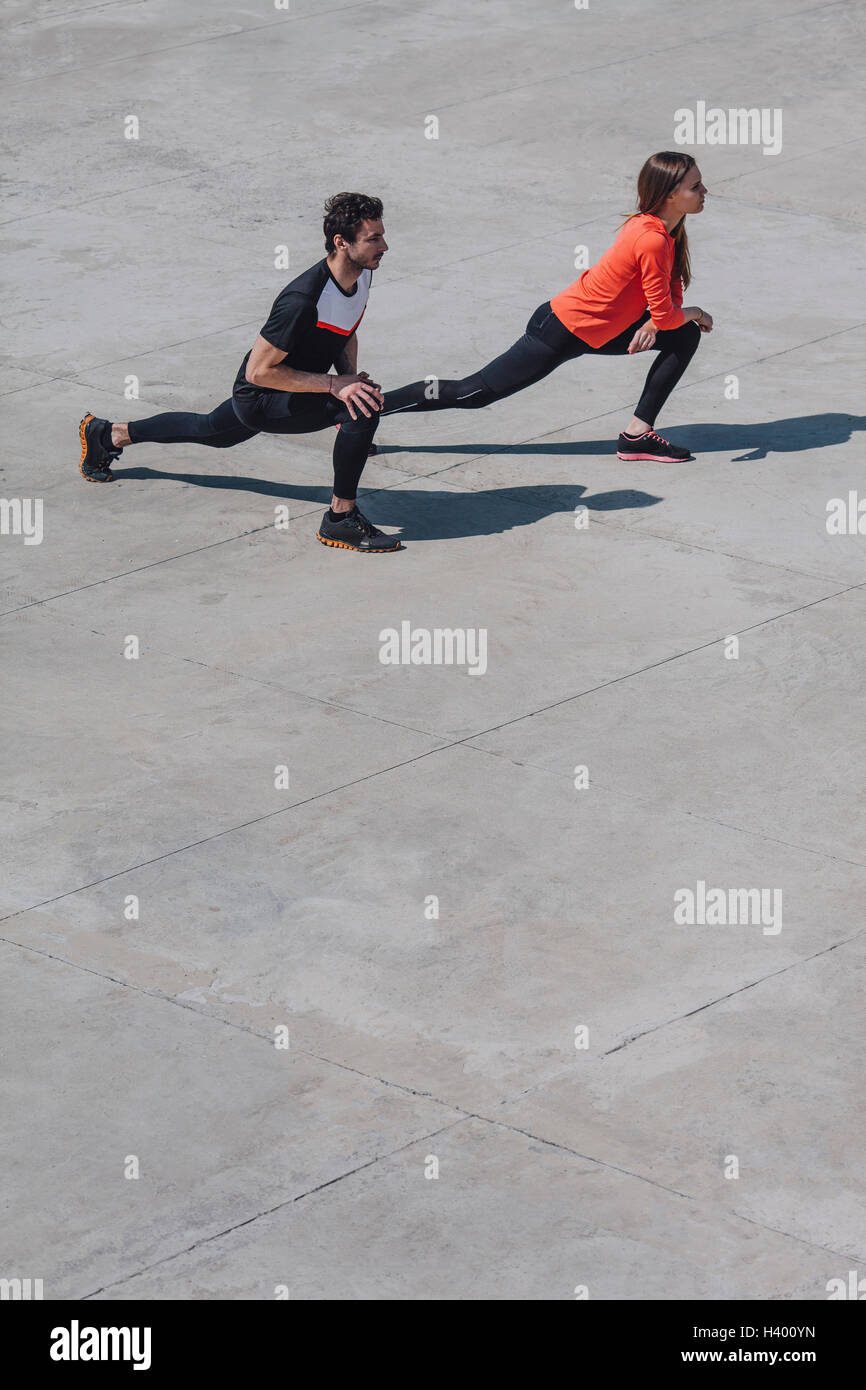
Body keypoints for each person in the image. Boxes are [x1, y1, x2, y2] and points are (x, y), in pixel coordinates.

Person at [78, 192, 401, 553]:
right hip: (261, 397)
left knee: (211, 431)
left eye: (382, 235)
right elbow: (259, 372)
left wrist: (348, 380)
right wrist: (333, 385)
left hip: (297, 389)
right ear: (341, 243)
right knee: (364, 411)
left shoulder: (362, 274)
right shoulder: (302, 300)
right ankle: (340, 520)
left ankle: (109, 435)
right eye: (374, 238)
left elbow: (345, 329)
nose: (384, 246)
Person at [380, 152, 713, 462]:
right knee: (473, 393)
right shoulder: (650, 237)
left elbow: (669, 298)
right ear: (670, 195)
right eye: (695, 187)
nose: (705, 191)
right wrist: (692, 314)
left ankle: (637, 435)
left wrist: (658, 322)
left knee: (683, 335)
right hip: (560, 329)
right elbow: (670, 311)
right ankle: (367, 408)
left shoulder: (666, 230)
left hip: (597, 329)